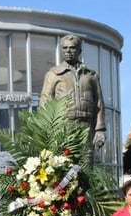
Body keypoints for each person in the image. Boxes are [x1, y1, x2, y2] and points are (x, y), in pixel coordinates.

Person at [39, 34, 106, 165]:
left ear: (79, 50)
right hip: (63, 126)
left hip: (86, 126)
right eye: (65, 48)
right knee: (64, 165)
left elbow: (99, 103)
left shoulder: (90, 75)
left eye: (72, 48)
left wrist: (100, 129)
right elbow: (45, 102)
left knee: (86, 165)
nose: (68, 51)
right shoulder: (53, 74)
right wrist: (48, 131)